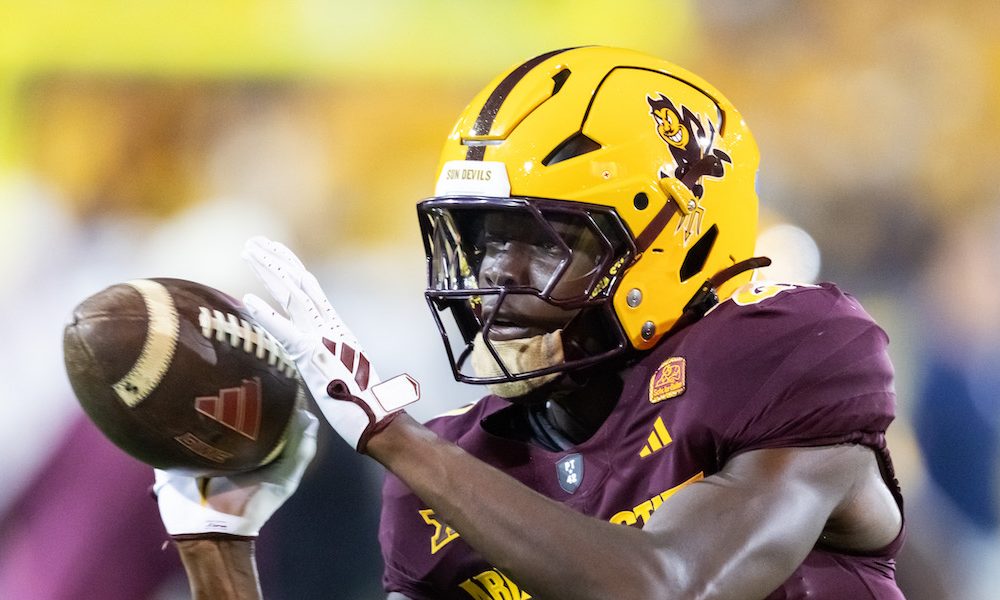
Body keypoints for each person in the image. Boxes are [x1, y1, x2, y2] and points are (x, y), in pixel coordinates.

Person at [154, 47, 906, 599]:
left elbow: (670, 585)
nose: (496, 278)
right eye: (483, 241)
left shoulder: (780, 356)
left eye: (546, 243)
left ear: (676, 239)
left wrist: (396, 439)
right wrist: (219, 552)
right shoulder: (462, 469)